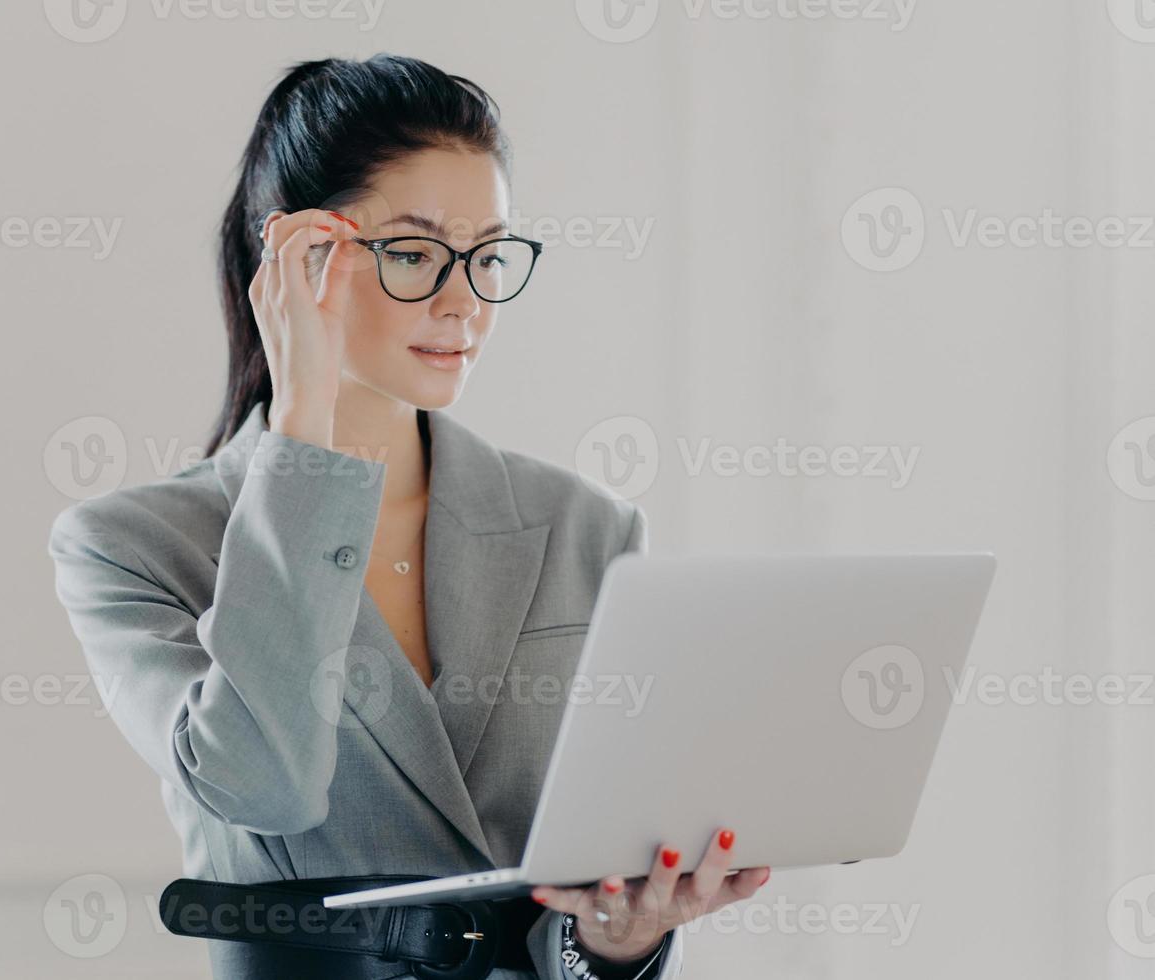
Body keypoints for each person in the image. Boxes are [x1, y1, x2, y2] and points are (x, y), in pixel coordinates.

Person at [49, 53, 769, 979]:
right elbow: (262, 783)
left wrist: (619, 940)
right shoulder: (134, 547)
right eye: (415, 252)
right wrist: (305, 426)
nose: (463, 300)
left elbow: (580, 891)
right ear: (299, 257)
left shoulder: (586, 528)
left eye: (488, 254)